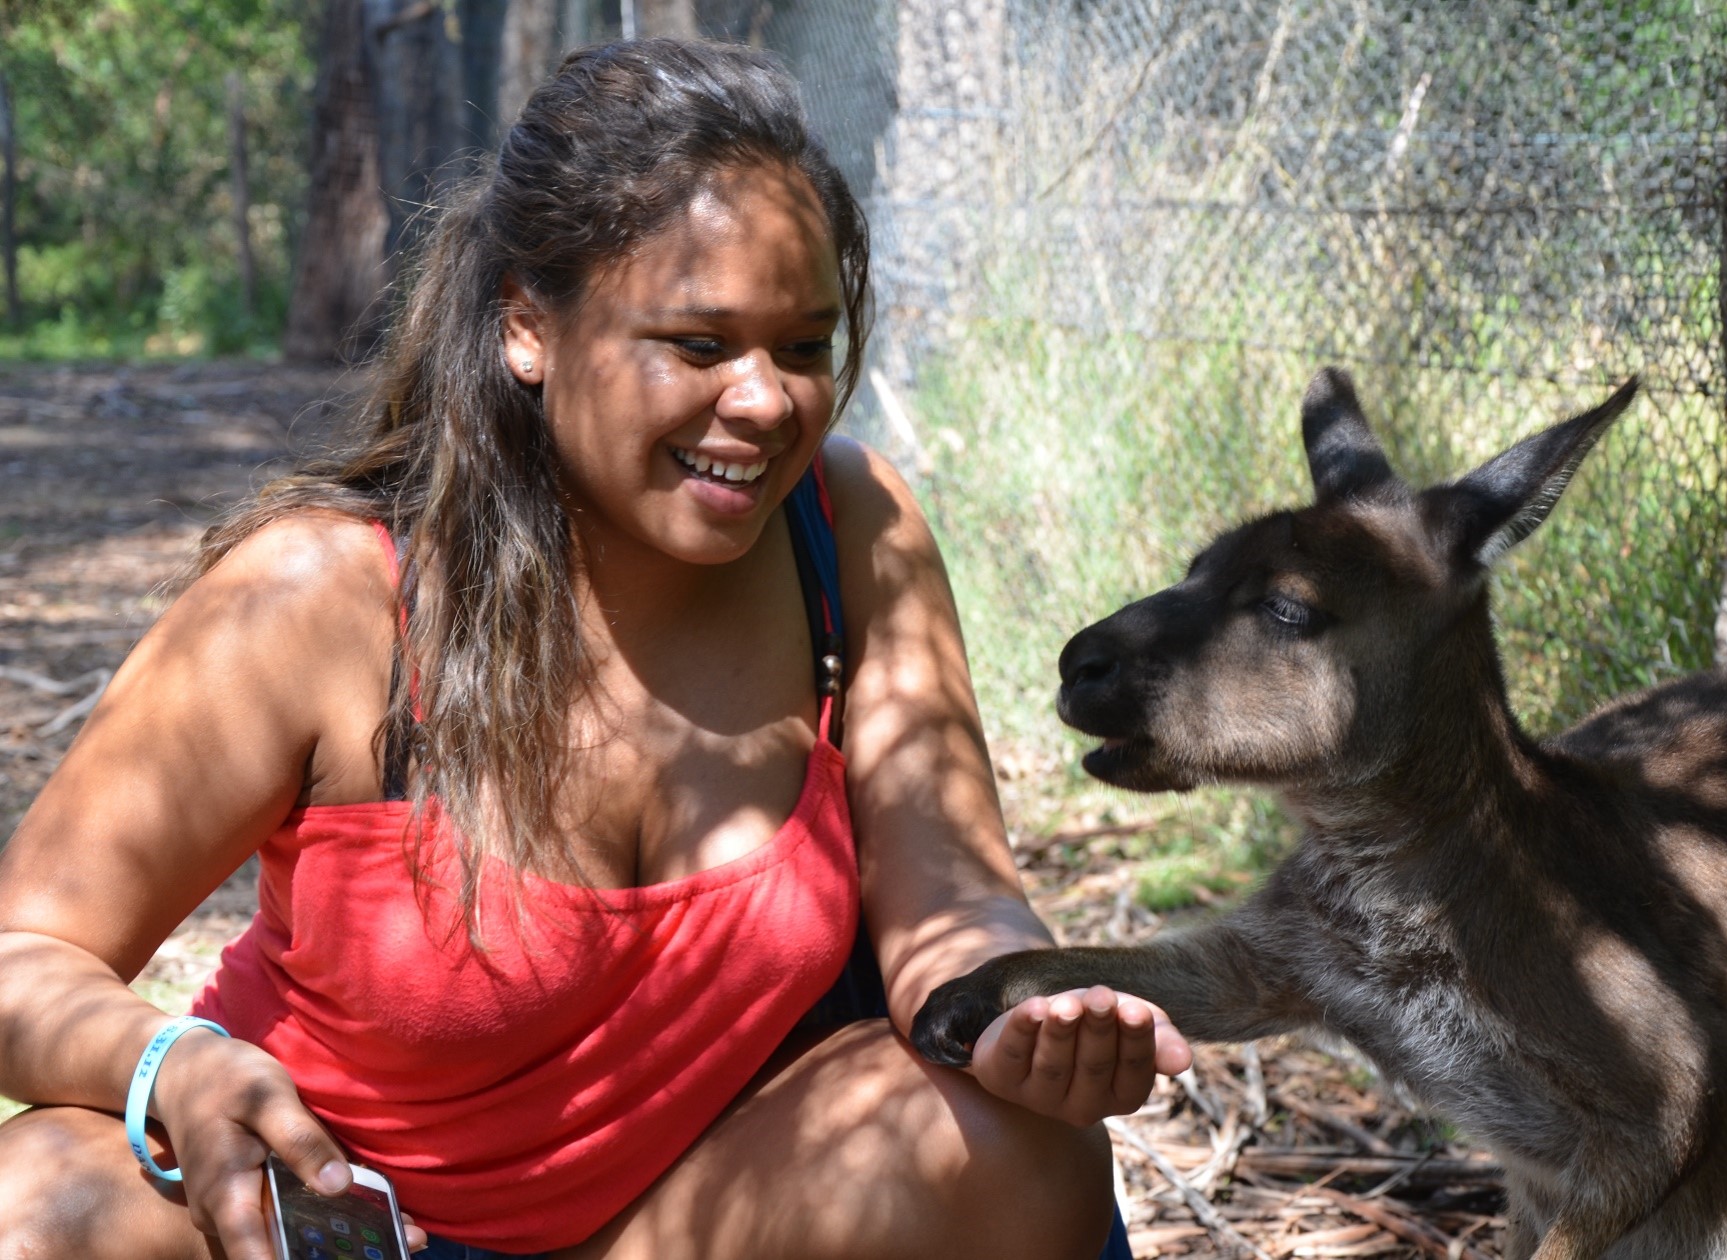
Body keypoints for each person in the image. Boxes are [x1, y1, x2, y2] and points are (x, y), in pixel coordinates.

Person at [0, 38, 1189, 1260]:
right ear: (529, 325)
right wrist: (169, 1066)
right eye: (697, 343)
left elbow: (955, 894)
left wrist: (1007, 1010)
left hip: (674, 1227)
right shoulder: (320, 599)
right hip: (322, 1223)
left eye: (803, 346)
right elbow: (24, 954)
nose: (767, 400)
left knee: (1004, 1142)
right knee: (34, 1196)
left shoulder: (852, 532)